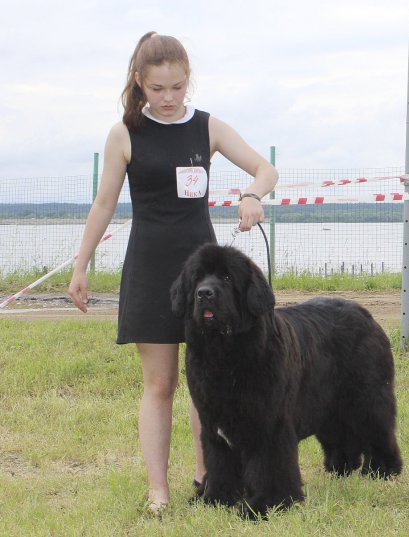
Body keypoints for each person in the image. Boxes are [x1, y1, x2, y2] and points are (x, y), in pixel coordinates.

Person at [67, 31, 278, 514]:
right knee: (160, 384)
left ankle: (209, 479)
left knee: (209, 383)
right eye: (157, 89)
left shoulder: (207, 128)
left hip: (207, 273)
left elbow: (266, 169)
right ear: (139, 82)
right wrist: (81, 266)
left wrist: (252, 194)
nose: (167, 98)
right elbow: (103, 205)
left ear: (188, 82)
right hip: (151, 270)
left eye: (177, 87)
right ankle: (158, 489)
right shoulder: (125, 133)